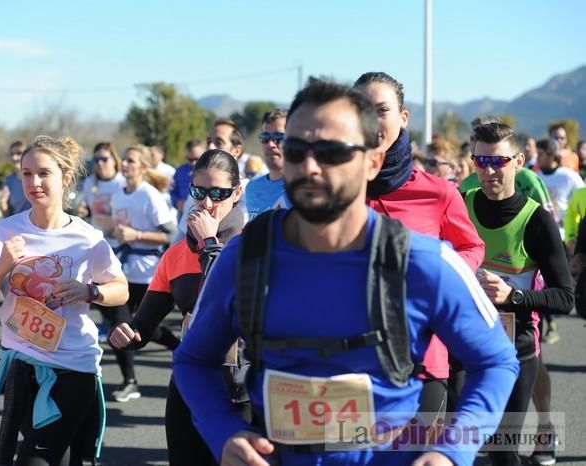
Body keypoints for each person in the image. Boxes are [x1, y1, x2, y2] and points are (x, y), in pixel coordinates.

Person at [172, 78, 518, 466]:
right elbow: (193, 360)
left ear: (373, 160)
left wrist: (451, 451)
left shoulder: (424, 263)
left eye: (332, 151)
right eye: (297, 149)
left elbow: (497, 362)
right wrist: (223, 432)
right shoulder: (244, 258)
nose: (310, 167)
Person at [0, 135, 129, 466]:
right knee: (62, 457)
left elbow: (120, 288)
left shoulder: (87, 238)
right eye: (27, 174)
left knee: (36, 459)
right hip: (21, 365)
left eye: (44, 173)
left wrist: (90, 291)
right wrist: (3, 264)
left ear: (66, 178)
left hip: (73, 365)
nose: (34, 182)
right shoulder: (5, 232)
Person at [355, 71, 485, 424]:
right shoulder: (332, 193)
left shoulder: (439, 192)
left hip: (423, 360)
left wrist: (440, 279)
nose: (372, 120)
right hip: (346, 361)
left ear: (403, 116)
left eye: (381, 109)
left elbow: (471, 247)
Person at [109, 149, 246, 465]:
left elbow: (229, 302)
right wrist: (129, 333)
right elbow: (144, 323)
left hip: (243, 385)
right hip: (193, 381)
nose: (207, 203)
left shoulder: (255, 244)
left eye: (219, 193)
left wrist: (210, 244)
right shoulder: (176, 255)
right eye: (199, 192)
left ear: (237, 193)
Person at [464, 122, 574, 466]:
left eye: (498, 161)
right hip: (463, 344)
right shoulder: (459, 205)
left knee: (501, 451)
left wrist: (513, 296)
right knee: (450, 443)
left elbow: (564, 297)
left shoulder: (535, 219)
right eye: (481, 162)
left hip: (516, 346)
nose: (490, 170)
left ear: (519, 161)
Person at [109, 144, 180, 402]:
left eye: (130, 160)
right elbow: (120, 229)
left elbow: (172, 234)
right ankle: (130, 381)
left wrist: (137, 235)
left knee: (145, 326)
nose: (124, 164)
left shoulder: (149, 195)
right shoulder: (117, 194)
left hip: (149, 273)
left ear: (143, 167)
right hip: (125, 270)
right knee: (121, 325)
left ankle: (175, 345)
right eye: (124, 160)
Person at [76, 142, 126, 339]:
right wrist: (84, 212)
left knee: (117, 289)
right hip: (97, 242)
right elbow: (89, 209)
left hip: (120, 244)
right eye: (96, 160)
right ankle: (109, 322)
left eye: (105, 159)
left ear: (114, 160)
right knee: (95, 286)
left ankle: (119, 326)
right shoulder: (90, 183)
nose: (100, 164)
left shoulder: (122, 182)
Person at [245, 109, 292, 220]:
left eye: (279, 137)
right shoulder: (252, 187)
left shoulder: (302, 189)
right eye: (265, 137)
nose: (271, 144)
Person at [536, 138, 584, 237]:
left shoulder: (570, 176)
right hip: (542, 234)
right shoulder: (536, 177)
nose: (537, 158)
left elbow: (582, 202)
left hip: (566, 235)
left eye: (541, 154)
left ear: (551, 155)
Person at [171, 139, 204, 213]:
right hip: (183, 212)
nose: (193, 163)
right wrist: (176, 202)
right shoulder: (180, 171)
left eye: (196, 159)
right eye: (190, 159)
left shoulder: (209, 172)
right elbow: (173, 190)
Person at [0, 140, 32, 217]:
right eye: (11, 154)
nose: (14, 157)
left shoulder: (36, 178)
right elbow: (6, 215)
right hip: (18, 226)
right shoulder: (9, 180)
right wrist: (3, 202)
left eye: (19, 153)